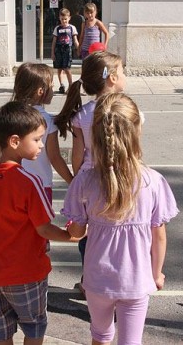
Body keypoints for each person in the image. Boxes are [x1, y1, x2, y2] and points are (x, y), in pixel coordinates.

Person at [62, 93, 179, 345]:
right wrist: (156, 273)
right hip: (136, 279)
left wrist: (73, 225)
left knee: (100, 335)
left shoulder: (84, 181)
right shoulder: (153, 181)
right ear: (136, 131)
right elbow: (159, 235)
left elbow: (77, 231)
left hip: (97, 278)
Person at [0, 101, 80, 344]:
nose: (42, 145)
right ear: (15, 141)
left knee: (2, 333)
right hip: (26, 273)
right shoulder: (29, 181)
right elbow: (43, 228)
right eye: (38, 139)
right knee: (33, 327)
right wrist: (71, 235)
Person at [54, 50, 126, 294]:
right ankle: (117, 283)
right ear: (113, 78)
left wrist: (78, 180)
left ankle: (88, 282)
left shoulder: (81, 115)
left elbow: (77, 154)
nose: (125, 76)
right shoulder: (126, 110)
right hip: (121, 179)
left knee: (86, 235)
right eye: (123, 71)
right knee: (117, 234)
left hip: (89, 182)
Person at [0, 62, 73, 202]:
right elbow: (55, 157)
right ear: (41, 91)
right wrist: (72, 181)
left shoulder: (7, 115)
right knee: (39, 224)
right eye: (51, 86)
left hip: (10, 184)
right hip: (40, 186)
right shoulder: (47, 120)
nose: (53, 90)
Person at [51, 8, 79, 94]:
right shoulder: (57, 28)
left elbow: (75, 39)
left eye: (65, 19)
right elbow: (54, 41)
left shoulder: (72, 28)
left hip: (67, 49)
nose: (64, 21)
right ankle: (61, 85)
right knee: (59, 69)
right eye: (62, 19)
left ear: (69, 18)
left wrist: (78, 48)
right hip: (58, 49)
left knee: (67, 68)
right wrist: (52, 53)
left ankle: (71, 86)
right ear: (59, 18)